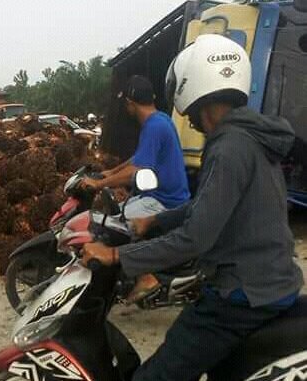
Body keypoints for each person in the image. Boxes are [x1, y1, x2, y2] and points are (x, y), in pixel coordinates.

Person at [80, 34, 304, 380]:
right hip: (272, 281)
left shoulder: (229, 148)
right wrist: (155, 219)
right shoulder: (250, 138)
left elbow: (195, 237)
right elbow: (209, 205)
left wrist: (117, 257)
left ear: (194, 84)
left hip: (241, 295)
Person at [80, 75, 190, 302]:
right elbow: (136, 159)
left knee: (117, 225)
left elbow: (136, 171)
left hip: (164, 201)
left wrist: (99, 184)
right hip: (160, 195)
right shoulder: (159, 120)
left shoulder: (154, 126)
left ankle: (146, 275)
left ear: (130, 103)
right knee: (115, 215)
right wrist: (109, 173)